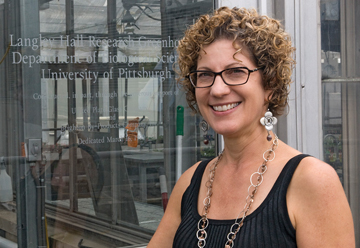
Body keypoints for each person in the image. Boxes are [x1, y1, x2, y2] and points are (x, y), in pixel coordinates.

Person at [147, 6, 355, 248]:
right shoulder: (191, 181)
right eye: (204, 75)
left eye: (236, 72)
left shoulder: (312, 181)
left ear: (270, 85)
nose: (217, 89)